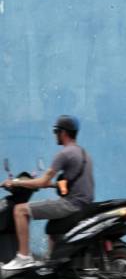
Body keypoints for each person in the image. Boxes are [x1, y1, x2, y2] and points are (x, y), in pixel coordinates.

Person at [1, 115, 95, 271]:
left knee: (20, 210)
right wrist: (51, 185)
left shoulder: (64, 154)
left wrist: (15, 182)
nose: (55, 135)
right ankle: (52, 263)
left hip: (71, 204)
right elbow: (70, 183)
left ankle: (23, 257)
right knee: (52, 228)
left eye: (56, 132)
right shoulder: (84, 154)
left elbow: (42, 181)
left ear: (63, 132)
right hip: (84, 203)